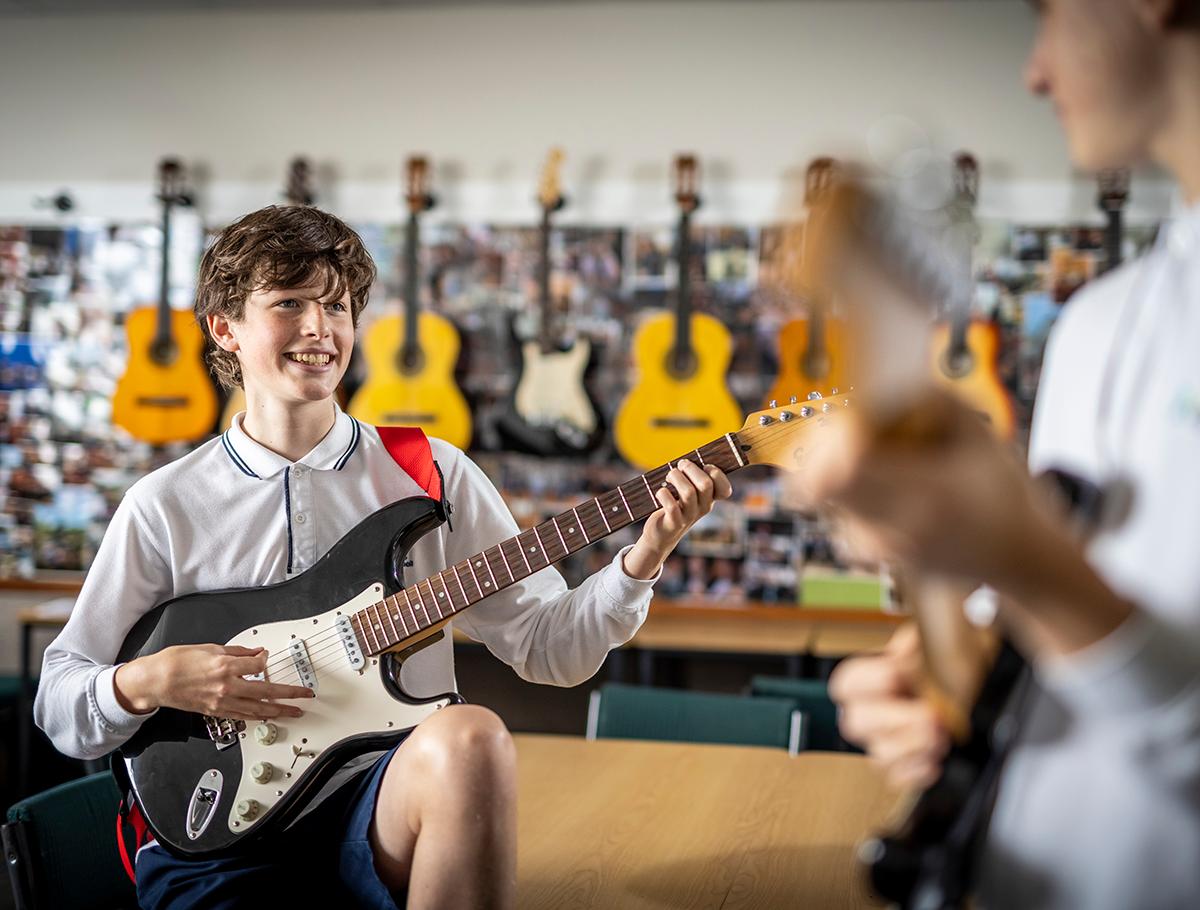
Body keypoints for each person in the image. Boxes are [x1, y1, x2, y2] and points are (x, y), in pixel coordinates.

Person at [34, 204, 732, 909]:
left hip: (379, 811)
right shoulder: (165, 503)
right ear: (225, 328)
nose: (319, 329)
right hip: (222, 837)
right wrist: (148, 681)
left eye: (336, 306)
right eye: (290, 303)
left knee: (473, 738)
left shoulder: (432, 473)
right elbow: (60, 699)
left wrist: (644, 556)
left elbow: (552, 650)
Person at [805, 1, 1200, 907]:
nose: (1033, 72)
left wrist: (1031, 570)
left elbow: (1067, 598)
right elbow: (1054, 639)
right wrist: (955, 677)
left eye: (1047, 14)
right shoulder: (1098, 324)